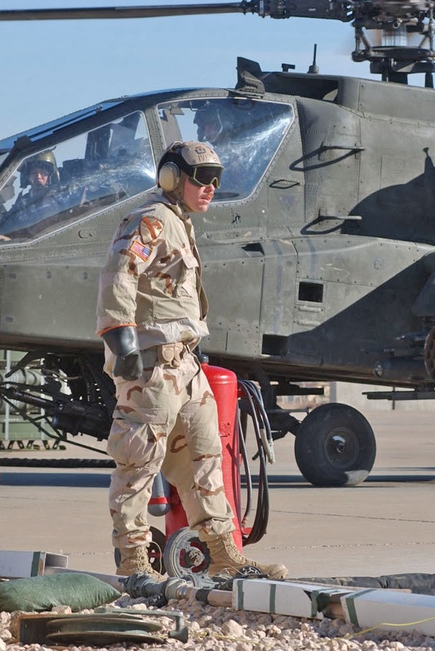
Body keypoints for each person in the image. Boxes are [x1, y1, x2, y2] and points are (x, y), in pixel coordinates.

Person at [96, 140, 288, 580]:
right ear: (171, 178)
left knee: (206, 460)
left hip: (185, 365)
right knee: (138, 464)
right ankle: (133, 563)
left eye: (216, 179)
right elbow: (119, 275)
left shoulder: (180, 223)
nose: (211, 187)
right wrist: (120, 340)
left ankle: (223, 555)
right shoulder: (151, 220)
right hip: (151, 368)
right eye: (202, 178)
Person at [0, 150, 62, 234]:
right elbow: (6, 224)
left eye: (43, 173)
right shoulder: (23, 202)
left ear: (51, 176)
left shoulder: (59, 198)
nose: (38, 177)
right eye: (34, 173)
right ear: (27, 177)